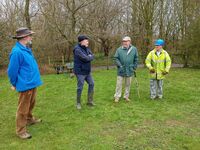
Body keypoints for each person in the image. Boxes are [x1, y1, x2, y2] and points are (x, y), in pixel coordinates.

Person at [7, 27, 43, 139]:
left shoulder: (26, 49)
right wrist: (14, 83)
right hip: (25, 84)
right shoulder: (17, 52)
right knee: (22, 109)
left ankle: (29, 119)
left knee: (31, 104)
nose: (31, 37)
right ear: (24, 37)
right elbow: (12, 71)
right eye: (30, 35)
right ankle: (21, 131)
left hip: (32, 83)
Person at [114, 36, 138, 102]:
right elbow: (115, 58)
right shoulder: (119, 49)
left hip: (130, 69)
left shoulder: (134, 49)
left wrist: (134, 67)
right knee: (119, 84)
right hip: (121, 70)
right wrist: (120, 66)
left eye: (126, 41)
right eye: (123, 41)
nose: (124, 42)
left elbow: (136, 58)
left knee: (128, 84)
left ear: (129, 41)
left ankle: (126, 96)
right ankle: (117, 96)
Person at [73, 35, 95, 109]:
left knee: (91, 83)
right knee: (80, 87)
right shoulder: (77, 50)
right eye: (86, 40)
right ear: (81, 41)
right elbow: (85, 58)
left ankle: (90, 101)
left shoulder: (87, 48)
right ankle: (78, 103)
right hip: (80, 72)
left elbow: (92, 55)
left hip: (87, 71)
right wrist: (89, 57)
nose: (87, 42)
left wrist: (90, 56)